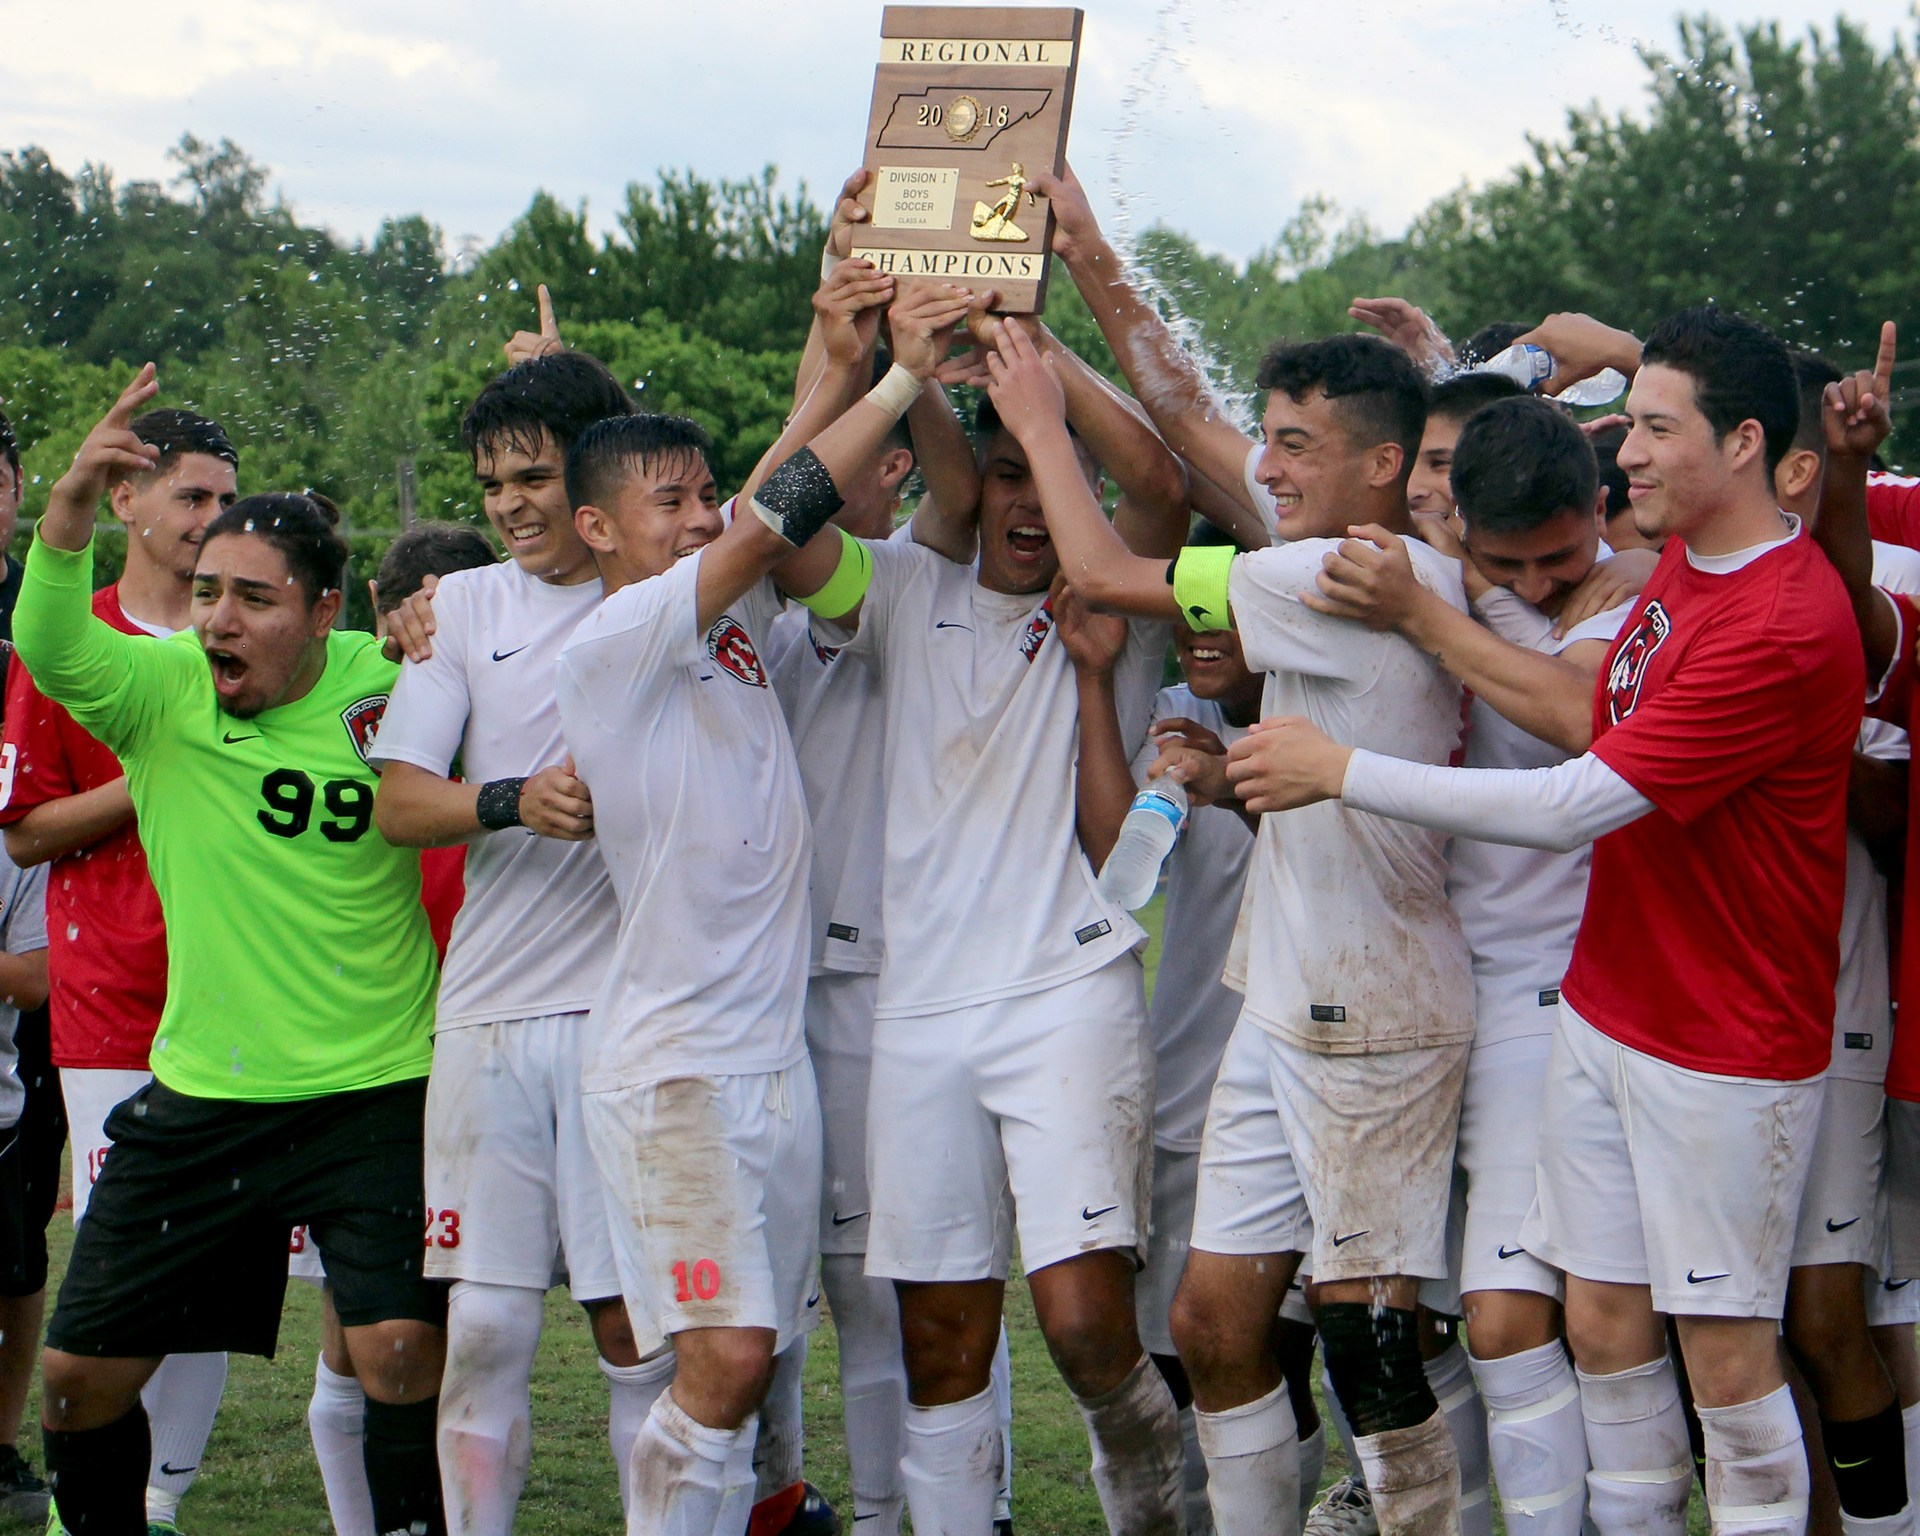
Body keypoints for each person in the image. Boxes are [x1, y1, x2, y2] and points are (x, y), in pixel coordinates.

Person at [1231, 305, 1865, 1536]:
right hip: (1607, 1007)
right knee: (1606, 1329)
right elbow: (1500, 464)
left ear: (1743, 446)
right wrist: (1506, 368)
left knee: (1729, 1369)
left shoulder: (1782, 621)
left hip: (1724, 1043)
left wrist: (1339, 768)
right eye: (1624, 424)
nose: (1626, 451)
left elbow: (1580, 803)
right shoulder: (1684, 556)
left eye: (1655, 429)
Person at [552, 279, 971, 1536]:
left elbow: (773, 511)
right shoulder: (616, 640)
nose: (696, 521)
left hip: (771, 1065)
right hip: (672, 1072)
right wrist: (892, 381)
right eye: (665, 505)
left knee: (772, 1359)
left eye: (697, 498)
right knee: (726, 1359)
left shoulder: (745, 638)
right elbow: (770, 508)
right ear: (597, 530)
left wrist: (841, 351)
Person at [779, 285, 1191, 1534]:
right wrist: (889, 368)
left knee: (1080, 1325)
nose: (1024, 502)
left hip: (1068, 994)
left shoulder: (1120, 593)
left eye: (1044, 475)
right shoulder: (903, 591)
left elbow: (1161, 483)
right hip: (920, 1013)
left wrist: (1032, 350)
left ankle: (1161, 1509)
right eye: (1003, 475)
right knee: (941, 1340)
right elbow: (783, 530)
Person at [19, 367, 449, 1536]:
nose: (217, 618)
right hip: (202, 1092)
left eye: (254, 598)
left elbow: (516, 640)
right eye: (207, 591)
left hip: (373, 1089)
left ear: (324, 614)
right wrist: (65, 514)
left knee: (400, 1352)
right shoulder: (162, 691)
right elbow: (52, 650)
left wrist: (434, 625)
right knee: (76, 1382)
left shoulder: (390, 683)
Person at [1302, 395, 1641, 1536]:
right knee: (1423, 1315)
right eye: (1514, 562)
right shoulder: (1441, 579)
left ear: (1603, 506)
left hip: (1550, 992)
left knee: (1512, 1320)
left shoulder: (1636, 588)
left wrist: (1433, 609)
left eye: (1563, 555)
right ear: (1452, 518)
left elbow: (1576, 716)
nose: (1543, 584)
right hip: (1414, 994)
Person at [372, 346, 646, 1536]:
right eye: (491, 484)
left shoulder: (670, 583)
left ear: (592, 474)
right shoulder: (466, 605)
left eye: (533, 475)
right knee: (483, 1329)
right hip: (485, 1017)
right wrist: (511, 799)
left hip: (627, 1018)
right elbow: (396, 799)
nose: (509, 506)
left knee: (635, 1329)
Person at [0, 404, 239, 1535]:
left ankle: (162, 1503)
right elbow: (25, 832)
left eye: (226, 503)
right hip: (109, 1003)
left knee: (211, 1277)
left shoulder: (253, 634)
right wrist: (157, 767)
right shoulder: (72, 643)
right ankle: (84, 1504)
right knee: (123, 1266)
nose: (212, 523)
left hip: (243, 998)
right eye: (192, 497)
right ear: (130, 503)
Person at [297, 520, 496, 1536]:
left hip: (495, 1047)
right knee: (372, 1326)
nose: (445, 634)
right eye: (426, 614)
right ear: (388, 617)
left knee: (473, 1327)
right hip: (385, 1063)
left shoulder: (526, 696)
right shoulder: (358, 713)